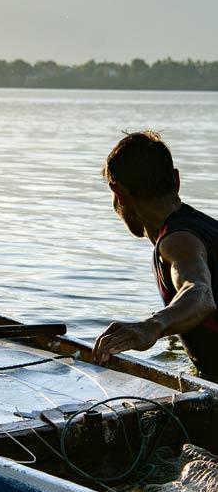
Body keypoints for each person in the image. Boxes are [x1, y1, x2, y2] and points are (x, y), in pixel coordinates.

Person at [92, 131, 218, 376]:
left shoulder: (177, 240)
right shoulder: (209, 228)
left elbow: (200, 293)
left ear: (118, 192)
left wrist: (151, 326)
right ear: (176, 179)